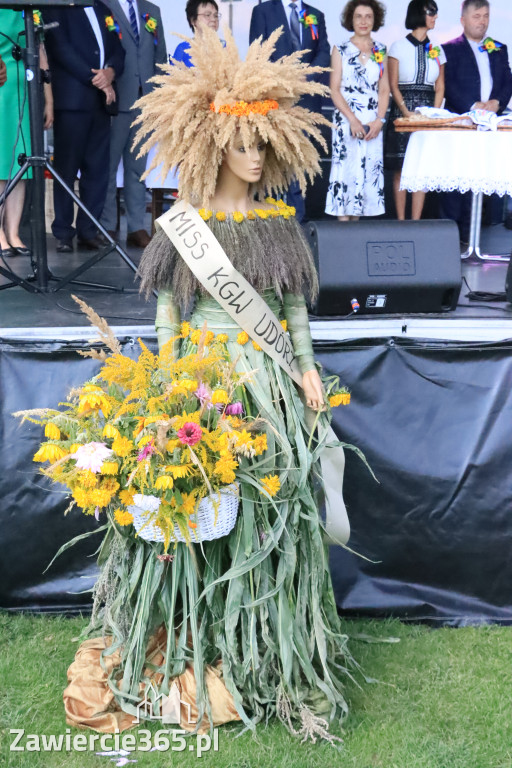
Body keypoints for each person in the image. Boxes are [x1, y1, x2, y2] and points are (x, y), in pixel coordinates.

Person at [63, 28, 355, 743]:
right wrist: (169, 386)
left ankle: (259, 645)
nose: (255, 157)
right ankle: (191, 632)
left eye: (264, 144)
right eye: (243, 144)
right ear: (213, 143)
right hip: (204, 383)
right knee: (198, 513)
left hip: (269, 385)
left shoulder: (279, 225)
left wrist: (308, 369)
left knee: (264, 513)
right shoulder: (184, 229)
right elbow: (169, 312)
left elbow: (292, 311)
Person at [43, 1, 125, 253]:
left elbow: (118, 50)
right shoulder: (56, 7)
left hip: (102, 103)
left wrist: (110, 72)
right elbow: (60, 49)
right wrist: (99, 80)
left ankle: (89, 230)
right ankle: (63, 232)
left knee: (97, 171)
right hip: (72, 101)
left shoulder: (103, 9)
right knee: (66, 170)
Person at [249, 0, 330, 222]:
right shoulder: (263, 11)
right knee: (272, 162)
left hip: (306, 102)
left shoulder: (315, 14)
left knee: (298, 162)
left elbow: (323, 51)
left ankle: (297, 222)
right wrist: (280, 79)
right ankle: (269, 218)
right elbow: (256, 53)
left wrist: (308, 75)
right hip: (275, 100)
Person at [441, 0, 512, 243]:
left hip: (491, 123)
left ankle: (475, 235)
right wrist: (473, 107)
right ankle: (452, 234)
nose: (482, 21)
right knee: (457, 178)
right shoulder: (449, 49)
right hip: (462, 122)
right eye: (477, 16)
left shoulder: (498, 48)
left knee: (481, 179)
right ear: (463, 20)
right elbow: (448, 84)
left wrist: (496, 103)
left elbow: (507, 82)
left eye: (486, 16)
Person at [100, 0, 166, 249]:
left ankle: (136, 226)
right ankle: (107, 225)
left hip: (145, 101)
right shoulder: (105, 6)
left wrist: (159, 99)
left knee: (137, 170)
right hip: (116, 98)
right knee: (107, 166)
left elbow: (160, 58)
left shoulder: (153, 10)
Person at [325, 0, 389, 221]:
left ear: (375, 20)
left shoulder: (380, 50)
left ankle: (356, 232)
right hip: (346, 118)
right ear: (351, 20)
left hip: (372, 121)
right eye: (358, 16)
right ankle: (344, 229)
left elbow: (384, 89)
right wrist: (352, 120)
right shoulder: (340, 49)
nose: (363, 21)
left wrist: (379, 120)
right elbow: (334, 89)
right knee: (347, 172)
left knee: (365, 174)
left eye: (368, 16)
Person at [385, 0, 445, 221]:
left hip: (427, 113)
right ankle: (401, 221)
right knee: (401, 167)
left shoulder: (437, 49)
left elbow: (440, 85)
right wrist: (405, 111)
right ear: (418, 14)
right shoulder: (398, 47)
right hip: (403, 111)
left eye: (435, 13)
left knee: (421, 170)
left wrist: (434, 113)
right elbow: (393, 84)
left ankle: (416, 221)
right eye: (431, 12)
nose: (435, 17)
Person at [0, 10, 53, 258]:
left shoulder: (31, 8)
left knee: (22, 165)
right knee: (2, 164)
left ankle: (13, 232)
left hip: (27, 92)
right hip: (2, 91)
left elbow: (41, 52)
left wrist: (48, 99)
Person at [172, 0, 220, 66]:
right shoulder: (183, 49)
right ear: (193, 20)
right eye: (207, 15)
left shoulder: (225, 48)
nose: (213, 19)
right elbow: (172, 75)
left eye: (216, 15)